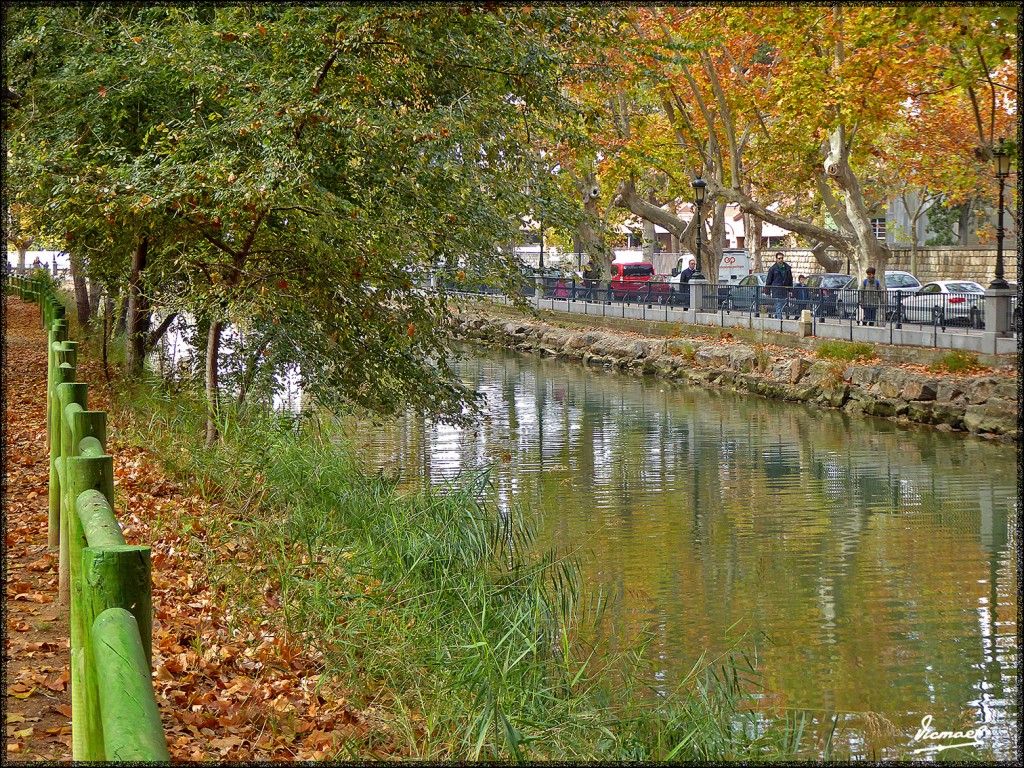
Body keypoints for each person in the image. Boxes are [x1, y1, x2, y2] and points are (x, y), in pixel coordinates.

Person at [764, 252, 793, 319]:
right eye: (779, 258)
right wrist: (767, 291)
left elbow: (790, 279)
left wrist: (790, 290)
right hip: (776, 290)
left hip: (784, 290)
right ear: (776, 259)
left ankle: (777, 317)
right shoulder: (773, 269)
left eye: (782, 258)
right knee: (778, 305)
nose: (781, 259)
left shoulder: (787, 268)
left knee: (782, 305)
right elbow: (769, 280)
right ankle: (779, 320)